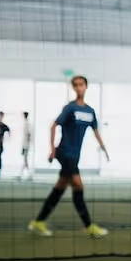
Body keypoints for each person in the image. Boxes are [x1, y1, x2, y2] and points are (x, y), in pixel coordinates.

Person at [27, 75, 109, 238]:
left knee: (60, 187)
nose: (79, 87)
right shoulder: (70, 108)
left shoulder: (90, 111)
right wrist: (52, 150)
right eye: (76, 85)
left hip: (75, 155)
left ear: (86, 86)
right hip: (64, 153)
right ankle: (89, 225)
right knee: (78, 186)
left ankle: (38, 222)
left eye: (81, 84)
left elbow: (95, 130)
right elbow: (53, 125)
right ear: (73, 88)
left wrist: (104, 148)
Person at [19, 112, 32, 180]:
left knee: (25, 159)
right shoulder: (26, 123)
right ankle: (25, 173)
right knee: (25, 159)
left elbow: (28, 134)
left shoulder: (27, 124)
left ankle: (23, 174)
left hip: (26, 145)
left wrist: (28, 144)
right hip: (25, 144)